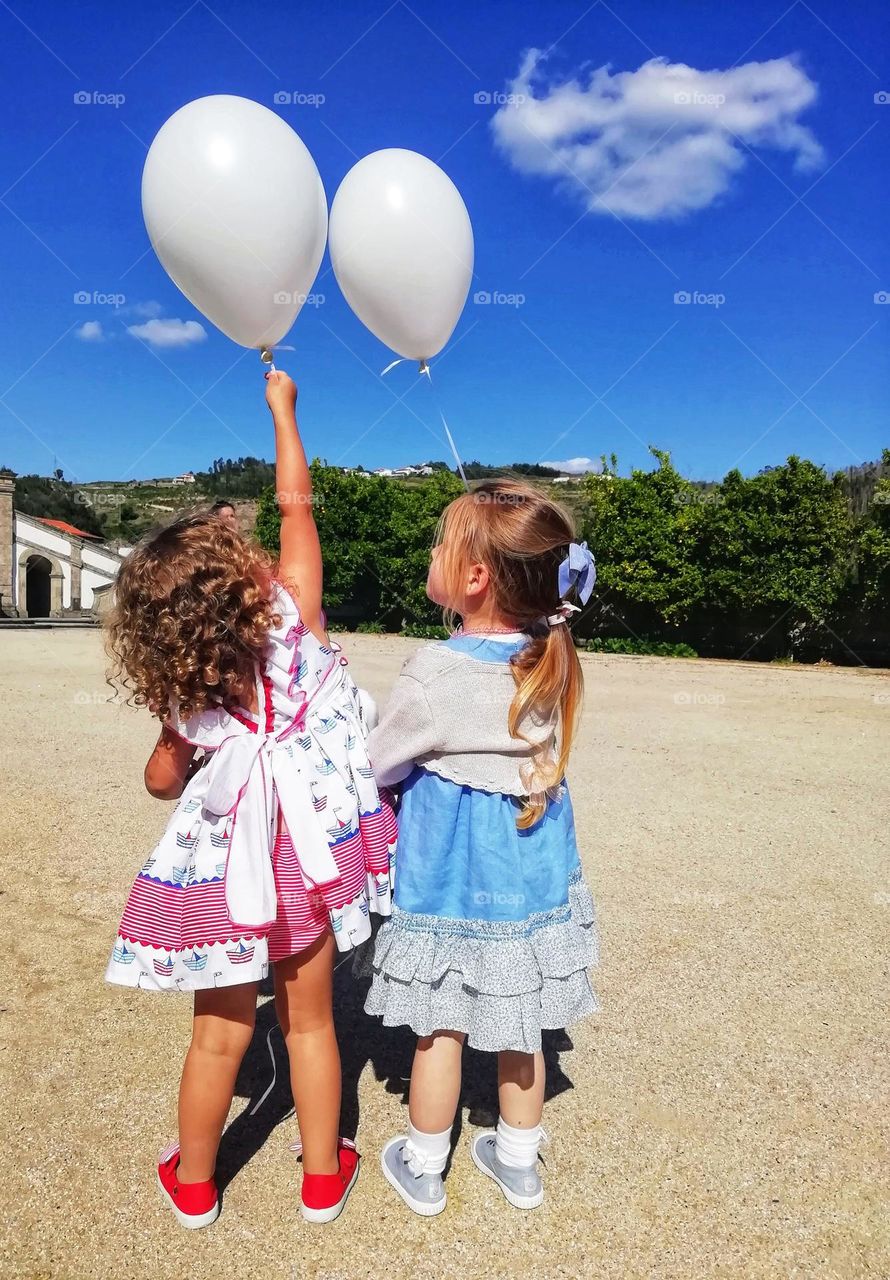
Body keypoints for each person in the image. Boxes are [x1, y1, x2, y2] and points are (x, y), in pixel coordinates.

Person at [105, 371, 396, 1228]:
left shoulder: (188, 690)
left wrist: (186, 741)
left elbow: (160, 782)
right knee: (310, 1025)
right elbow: (297, 509)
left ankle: (195, 1183)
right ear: (247, 582)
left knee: (218, 1033)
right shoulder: (297, 623)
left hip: (223, 874)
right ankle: (321, 1178)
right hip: (307, 861)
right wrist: (283, 411)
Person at [364, 479, 598, 1215]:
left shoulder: (434, 672)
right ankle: (519, 1162)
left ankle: (425, 1163)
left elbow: (379, 762)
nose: (431, 552)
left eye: (442, 543)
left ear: (473, 577)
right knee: (521, 1015)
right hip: (530, 867)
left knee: (442, 1019)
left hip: (452, 873)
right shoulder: (549, 656)